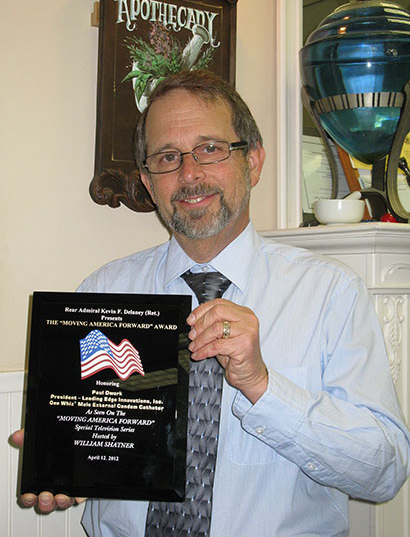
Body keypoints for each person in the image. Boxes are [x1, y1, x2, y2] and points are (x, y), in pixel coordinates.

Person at [13, 70, 410, 536]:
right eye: (167, 157)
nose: (189, 173)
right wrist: (61, 462)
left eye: (210, 148)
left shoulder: (331, 294)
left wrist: (262, 385)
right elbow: (88, 437)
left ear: (254, 162)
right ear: (147, 180)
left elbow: (383, 473)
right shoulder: (102, 290)